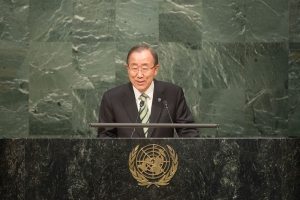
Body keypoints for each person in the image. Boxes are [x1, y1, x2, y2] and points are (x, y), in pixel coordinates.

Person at [98, 44, 199, 138]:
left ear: (155, 70)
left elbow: (188, 132)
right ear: (127, 69)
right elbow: (105, 138)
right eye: (134, 68)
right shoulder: (112, 98)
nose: (139, 75)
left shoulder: (173, 94)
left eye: (145, 68)